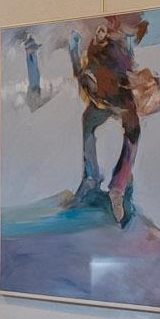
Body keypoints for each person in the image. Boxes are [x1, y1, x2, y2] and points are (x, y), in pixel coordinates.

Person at [67, 16, 147, 226]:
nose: (100, 33)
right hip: (110, 101)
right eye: (98, 30)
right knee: (97, 125)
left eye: (103, 30)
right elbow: (84, 74)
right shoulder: (104, 50)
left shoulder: (107, 49)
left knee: (124, 130)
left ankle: (108, 184)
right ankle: (106, 183)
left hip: (111, 101)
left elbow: (84, 75)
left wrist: (74, 51)